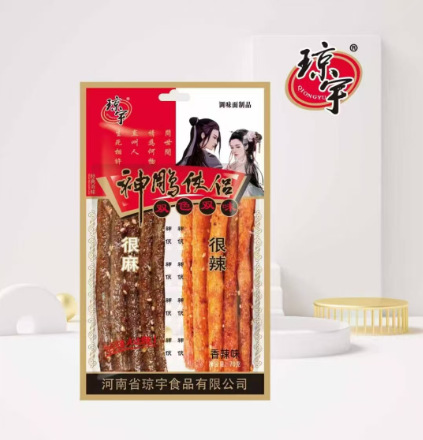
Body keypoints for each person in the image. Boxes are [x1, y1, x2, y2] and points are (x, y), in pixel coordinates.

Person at [227, 129, 264, 197]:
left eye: (238, 147)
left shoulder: (248, 166)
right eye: (232, 147)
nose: (234, 150)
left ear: (247, 146)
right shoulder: (231, 165)